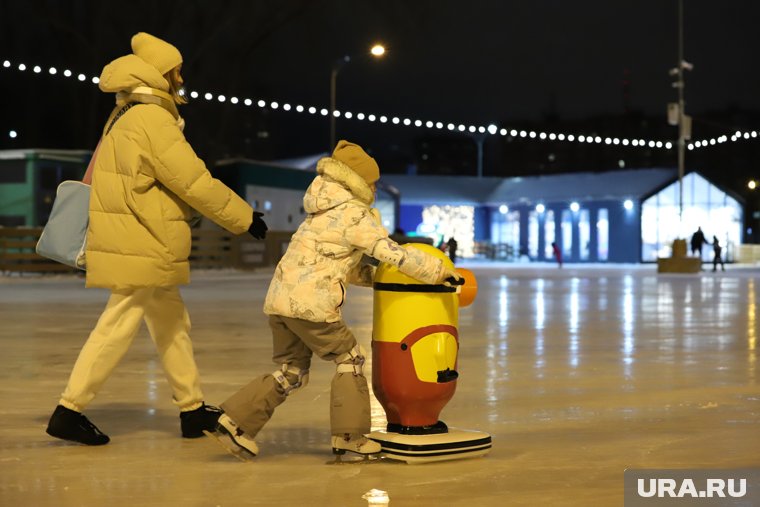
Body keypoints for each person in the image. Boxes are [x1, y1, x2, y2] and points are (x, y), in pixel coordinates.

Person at [45, 33, 268, 446]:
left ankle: (192, 408)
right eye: (177, 70)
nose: (182, 77)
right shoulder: (152, 119)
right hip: (143, 238)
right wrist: (242, 216)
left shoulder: (126, 115)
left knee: (171, 324)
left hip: (141, 236)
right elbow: (193, 180)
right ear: (162, 72)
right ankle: (69, 409)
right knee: (117, 324)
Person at [213, 140, 460, 459]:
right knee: (351, 359)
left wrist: (378, 280)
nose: (374, 188)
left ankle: (235, 421)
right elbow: (390, 252)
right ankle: (350, 435)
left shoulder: (320, 211)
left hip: (280, 301)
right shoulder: (354, 215)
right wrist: (437, 271)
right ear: (359, 183)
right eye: (372, 182)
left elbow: (347, 267)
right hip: (311, 305)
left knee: (291, 371)